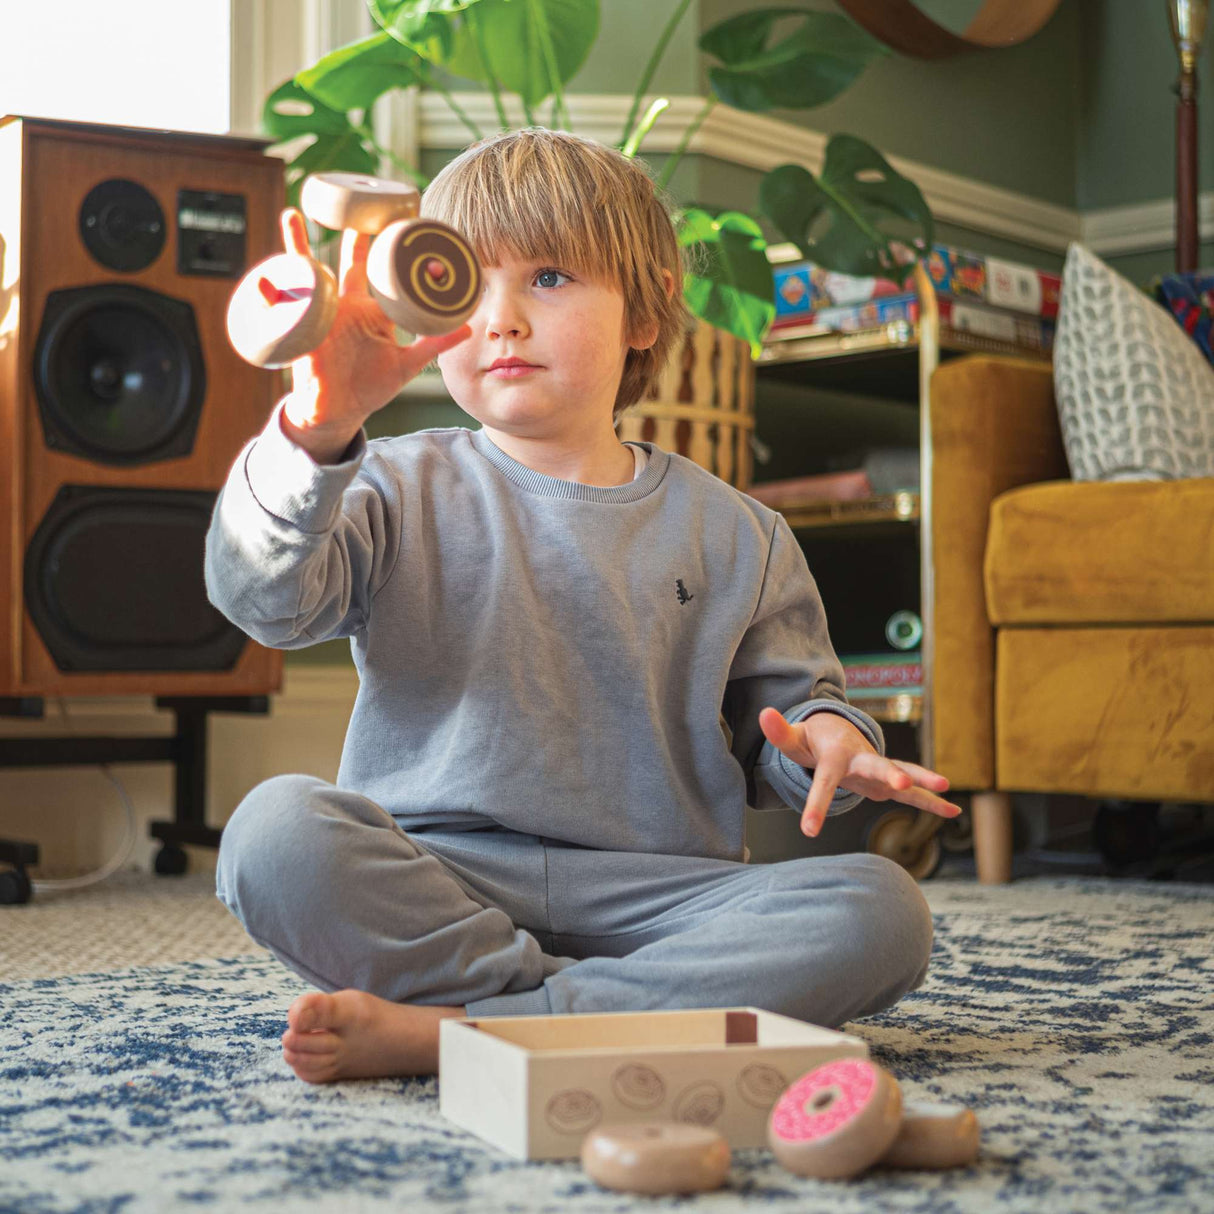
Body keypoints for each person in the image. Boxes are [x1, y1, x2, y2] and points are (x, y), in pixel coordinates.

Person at [206, 128, 960, 1086]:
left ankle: (469, 1029)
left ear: (642, 314)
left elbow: (791, 728)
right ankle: (581, 1018)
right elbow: (261, 599)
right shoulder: (392, 482)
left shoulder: (741, 533)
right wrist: (314, 431)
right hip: (437, 873)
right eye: (469, 284)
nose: (503, 319)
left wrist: (829, 744)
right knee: (273, 835)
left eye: (551, 277)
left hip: (661, 894)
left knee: (881, 911)